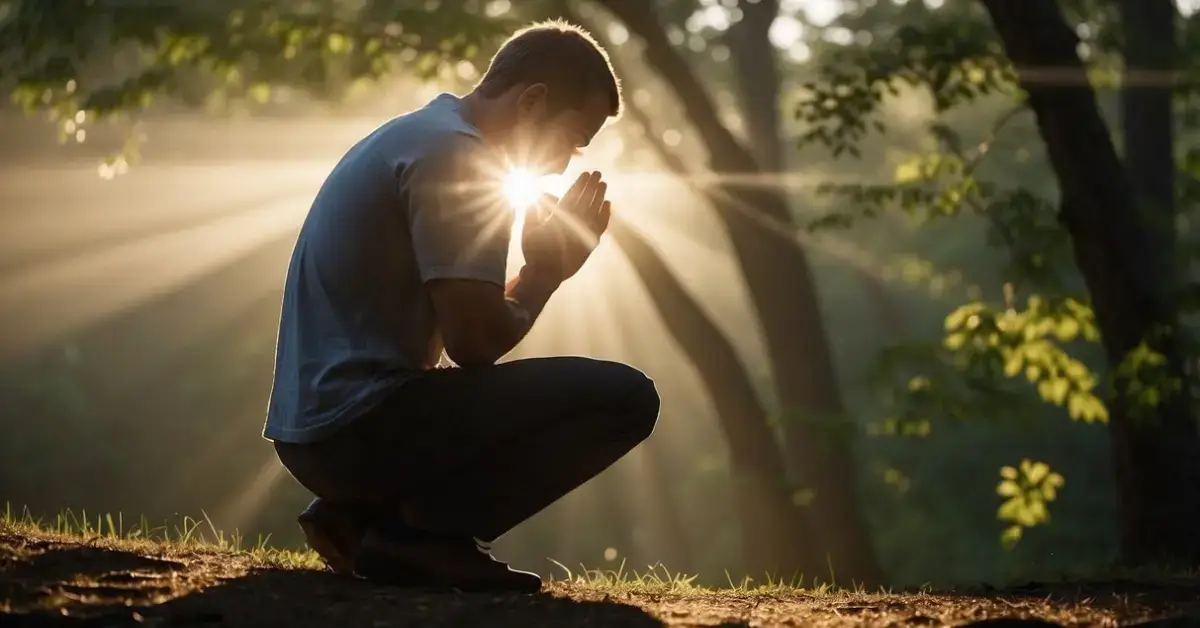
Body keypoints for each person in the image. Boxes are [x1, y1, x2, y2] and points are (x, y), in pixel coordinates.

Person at [262, 20, 660, 593]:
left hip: (313, 433)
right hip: (353, 430)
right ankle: (421, 536)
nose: (563, 165)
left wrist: (538, 272)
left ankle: (362, 518)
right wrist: (544, 274)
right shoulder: (459, 158)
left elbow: (468, 331)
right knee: (625, 399)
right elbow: (473, 345)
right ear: (532, 101)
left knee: (471, 393)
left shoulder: (420, 134)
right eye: (573, 139)